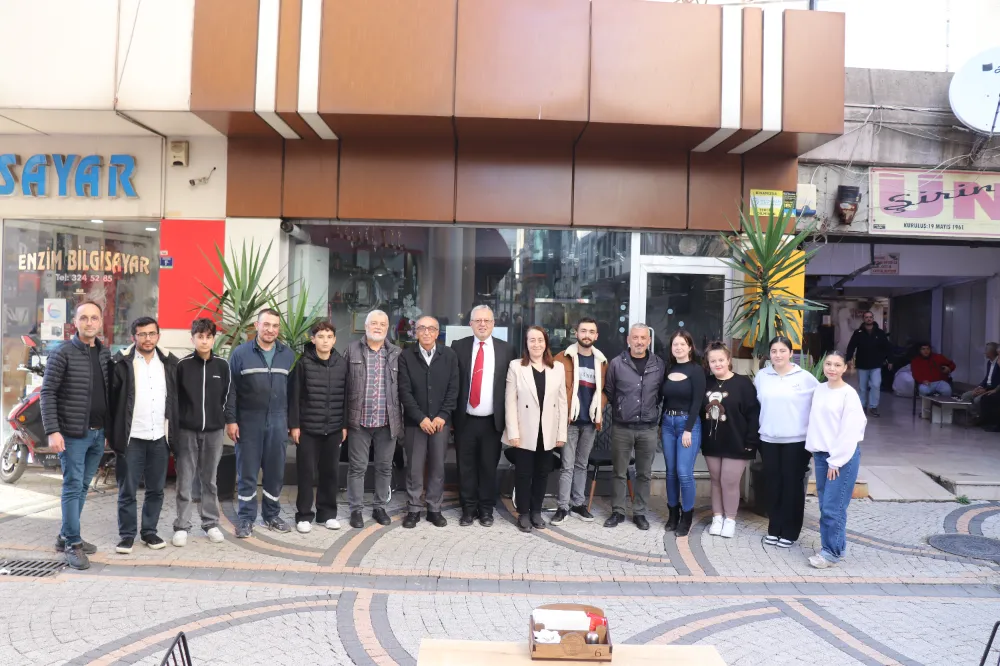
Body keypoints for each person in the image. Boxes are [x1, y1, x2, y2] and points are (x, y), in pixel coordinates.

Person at [40, 301, 112, 570]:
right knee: (72, 485)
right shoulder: (63, 353)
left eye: (94, 318)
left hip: (97, 433)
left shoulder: (104, 354)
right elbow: (47, 393)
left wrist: (107, 430)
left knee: (82, 486)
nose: (89, 323)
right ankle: (73, 543)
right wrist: (53, 431)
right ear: (75, 322)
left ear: (100, 322)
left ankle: (65, 536)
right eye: (84, 318)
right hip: (72, 434)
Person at [109, 317, 180, 555]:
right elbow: (112, 402)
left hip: (160, 437)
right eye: (142, 334)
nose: (147, 339)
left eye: (152, 334)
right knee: (127, 490)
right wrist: (113, 434)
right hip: (132, 437)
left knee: (156, 489)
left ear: (158, 335)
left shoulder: (170, 363)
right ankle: (127, 535)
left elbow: (176, 401)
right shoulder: (121, 363)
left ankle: (149, 531)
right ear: (134, 337)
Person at [226, 309, 296, 538]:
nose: (270, 330)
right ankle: (246, 518)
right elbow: (231, 390)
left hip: (278, 420)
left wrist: (291, 422)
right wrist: (231, 420)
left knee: (275, 472)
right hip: (248, 421)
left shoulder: (287, 355)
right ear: (256, 326)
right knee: (247, 472)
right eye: (266, 325)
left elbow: (294, 393)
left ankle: (271, 515)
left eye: (275, 326)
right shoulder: (241, 353)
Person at [452, 305, 515, 527]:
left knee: (489, 467)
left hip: (492, 422)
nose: (482, 324)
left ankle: (486, 510)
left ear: (493, 324)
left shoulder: (506, 350)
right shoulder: (458, 347)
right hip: (465, 420)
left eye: (487, 320)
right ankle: (468, 509)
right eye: (478, 320)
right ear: (470, 324)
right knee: (466, 467)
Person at [754, 336, 819, 548]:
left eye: (783, 351)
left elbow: (821, 402)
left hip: (796, 441)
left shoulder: (805, 378)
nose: (778, 355)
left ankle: (790, 532)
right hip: (769, 440)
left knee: (792, 486)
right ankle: (774, 528)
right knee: (773, 485)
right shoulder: (762, 376)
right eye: (774, 351)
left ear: (791, 353)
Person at [172, 318, 231, 547]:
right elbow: (175, 400)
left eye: (208, 337)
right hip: (187, 431)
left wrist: (225, 420)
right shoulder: (182, 366)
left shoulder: (223, 366)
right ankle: (182, 525)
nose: (204, 341)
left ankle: (210, 523)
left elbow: (228, 397)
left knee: (210, 480)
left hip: (214, 432)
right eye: (200, 337)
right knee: (185, 480)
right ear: (193, 339)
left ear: (214, 339)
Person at [805, 351, 867, 569]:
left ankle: (830, 553)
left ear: (845, 368)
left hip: (842, 457)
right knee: (826, 505)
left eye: (837, 365)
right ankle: (837, 548)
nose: (832, 368)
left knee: (833, 507)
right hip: (822, 455)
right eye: (828, 364)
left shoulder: (849, 394)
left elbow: (851, 430)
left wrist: (836, 461)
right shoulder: (819, 390)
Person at [398, 315, 459, 529]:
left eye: (431, 329)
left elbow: (453, 389)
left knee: (437, 467)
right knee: (414, 468)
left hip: (441, 422)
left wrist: (443, 415)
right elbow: (404, 391)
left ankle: (434, 508)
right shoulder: (406, 356)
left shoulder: (449, 355)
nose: (426, 332)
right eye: (422, 328)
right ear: (415, 332)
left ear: (437, 333)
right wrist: (421, 418)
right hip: (415, 423)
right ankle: (414, 509)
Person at [504, 327, 568, 532]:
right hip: (524, 431)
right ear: (526, 343)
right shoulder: (516, 366)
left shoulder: (557, 368)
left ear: (546, 342)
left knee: (542, 473)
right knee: (523, 473)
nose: (536, 344)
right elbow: (510, 402)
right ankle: (523, 513)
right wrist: (513, 432)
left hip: (548, 431)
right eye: (532, 340)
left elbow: (562, 403)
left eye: (540, 340)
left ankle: (536, 511)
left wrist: (561, 433)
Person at [344, 310, 403, 529]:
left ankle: (380, 507)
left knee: (384, 467)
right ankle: (356, 510)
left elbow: (403, 388)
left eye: (382, 324)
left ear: (387, 328)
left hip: (387, 421)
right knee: (357, 467)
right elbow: (343, 385)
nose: (378, 327)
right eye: (374, 323)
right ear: (366, 326)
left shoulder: (396, 353)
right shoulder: (352, 350)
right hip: (359, 421)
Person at [603, 323, 665, 531]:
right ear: (628, 340)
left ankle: (640, 513)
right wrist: (623, 408)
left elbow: (660, 394)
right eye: (635, 337)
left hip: (648, 428)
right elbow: (610, 391)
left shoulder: (658, 364)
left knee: (644, 473)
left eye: (643, 338)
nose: (639, 342)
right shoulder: (616, 363)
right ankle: (618, 511)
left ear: (649, 340)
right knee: (619, 472)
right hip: (622, 426)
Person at [288, 321, 348, 533]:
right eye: (320, 336)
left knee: (330, 473)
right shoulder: (303, 364)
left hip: (333, 428)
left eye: (329, 337)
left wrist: (344, 425)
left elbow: (346, 397)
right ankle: (304, 515)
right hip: (308, 429)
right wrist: (294, 425)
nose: (325, 341)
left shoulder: (342, 364)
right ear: (312, 339)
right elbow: (294, 396)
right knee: (306, 473)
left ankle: (327, 514)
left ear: (334, 340)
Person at [551, 318, 608, 525]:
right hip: (569, 420)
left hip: (590, 421)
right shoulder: (562, 358)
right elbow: (553, 389)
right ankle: (562, 507)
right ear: (576, 333)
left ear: (596, 336)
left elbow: (605, 391)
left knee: (582, 464)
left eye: (591, 332)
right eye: (583, 331)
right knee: (567, 465)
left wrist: (599, 406)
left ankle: (578, 504)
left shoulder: (601, 361)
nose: (587, 335)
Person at [701, 342, 760, 539]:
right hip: (712, 441)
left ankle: (730, 519)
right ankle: (717, 517)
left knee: (729, 481)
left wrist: (751, 441)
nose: (717, 364)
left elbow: (753, 414)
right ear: (708, 363)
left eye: (721, 360)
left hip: (737, 441)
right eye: (713, 361)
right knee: (716, 480)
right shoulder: (706, 383)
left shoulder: (743, 384)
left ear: (728, 360)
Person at [660, 330, 706, 537]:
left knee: (683, 472)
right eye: (675, 344)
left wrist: (688, 428)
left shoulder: (696, 370)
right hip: (668, 424)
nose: (678, 347)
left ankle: (686, 516)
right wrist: (660, 424)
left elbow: (697, 402)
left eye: (682, 344)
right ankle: (673, 514)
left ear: (689, 347)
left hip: (688, 425)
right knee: (670, 472)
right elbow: (665, 400)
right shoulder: (668, 368)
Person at [845, 311, 892, 416]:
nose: (869, 319)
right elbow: (851, 346)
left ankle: (873, 407)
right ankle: (862, 406)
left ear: (873, 318)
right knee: (862, 387)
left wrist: (890, 360)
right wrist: (849, 358)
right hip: (862, 364)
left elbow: (887, 347)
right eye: (866, 317)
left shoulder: (880, 333)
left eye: (870, 317)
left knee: (876, 385)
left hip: (876, 364)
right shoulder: (858, 333)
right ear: (863, 319)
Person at [959, 343, 999, 418]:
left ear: (992, 352)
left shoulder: (998, 363)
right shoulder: (989, 363)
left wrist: (985, 390)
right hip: (985, 388)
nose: (984, 352)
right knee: (965, 396)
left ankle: (980, 417)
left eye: (986, 350)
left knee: (977, 400)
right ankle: (975, 415)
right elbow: (987, 378)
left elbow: (996, 382)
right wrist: (979, 387)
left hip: (993, 390)